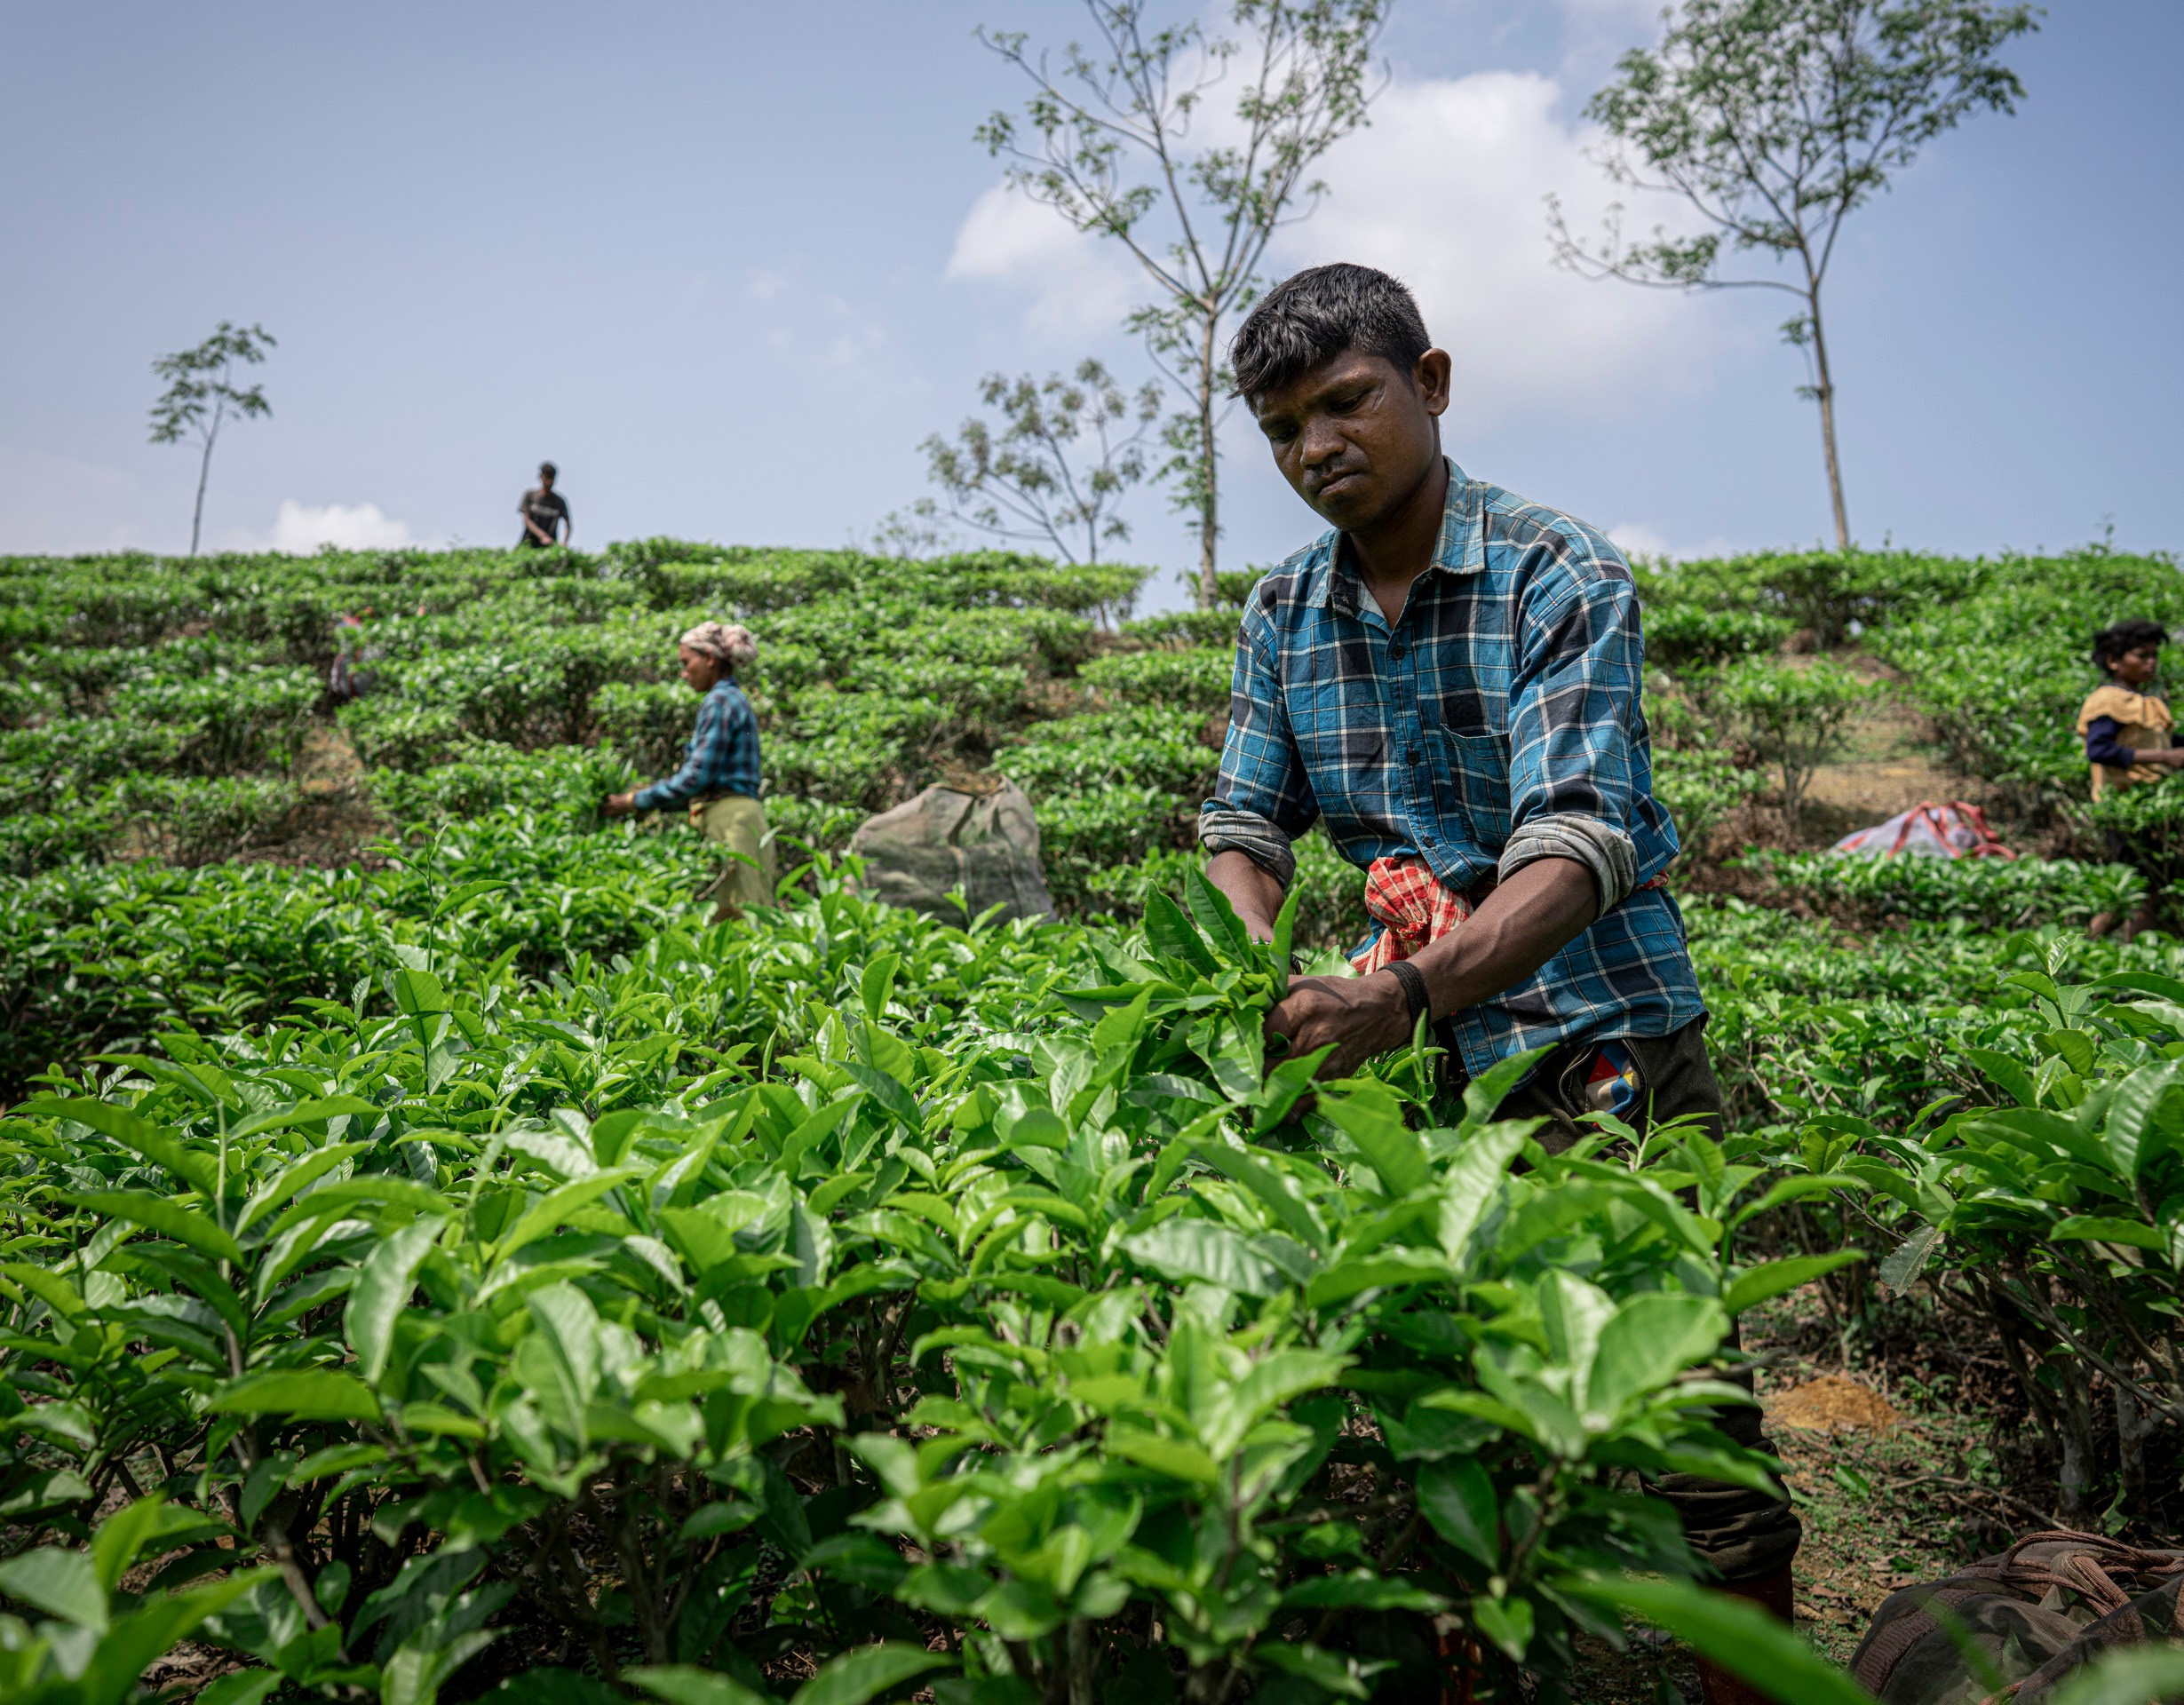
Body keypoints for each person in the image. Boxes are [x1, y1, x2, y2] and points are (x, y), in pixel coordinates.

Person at [1195, 263, 1799, 1705]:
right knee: (1442, 1397)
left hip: (1598, 1037)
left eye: (1344, 404)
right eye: (1282, 430)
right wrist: (1236, 981)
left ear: (1431, 383)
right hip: (1406, 1068)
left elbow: (1577, 840)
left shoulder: (1555, 573)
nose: (1315, 449)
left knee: (1675, 1407)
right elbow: (1242, 831)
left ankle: (1764, 1676)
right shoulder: (1283, 613)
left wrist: (1406, 998)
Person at [601, 623, 774, 920]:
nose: (683, 673)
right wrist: (649, 798)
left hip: (729, 820)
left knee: (735, 919)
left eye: (686, 663)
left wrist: (633, 802)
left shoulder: (719, 701)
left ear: (709, 658)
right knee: (755, 912)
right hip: (746, 817)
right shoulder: (734, 699)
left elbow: (696, 778)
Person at [2078, 619, 2180, 939]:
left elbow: (2163, 743)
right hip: (2125, 808)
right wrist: (2165, 759)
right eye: (2141, 656)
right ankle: (2117, 956)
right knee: (2138, 888)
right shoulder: (2108, 700)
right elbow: (2099, 749)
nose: (2150, 663)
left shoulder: (2148, 703)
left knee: (2144, 886)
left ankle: (2102, 950)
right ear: (2114, 662)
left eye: (2153, 656)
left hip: (2151, 806)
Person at [518, 462, 571, 548]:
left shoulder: (559, 501)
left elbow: (568, 523)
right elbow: (526, 520)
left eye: (551, 478)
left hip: (550, 546)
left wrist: (565, 541)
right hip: (528, 544)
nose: (549, 482)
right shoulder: (530, 496)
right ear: (541, 477)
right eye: (547, 477)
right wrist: (542, 536)